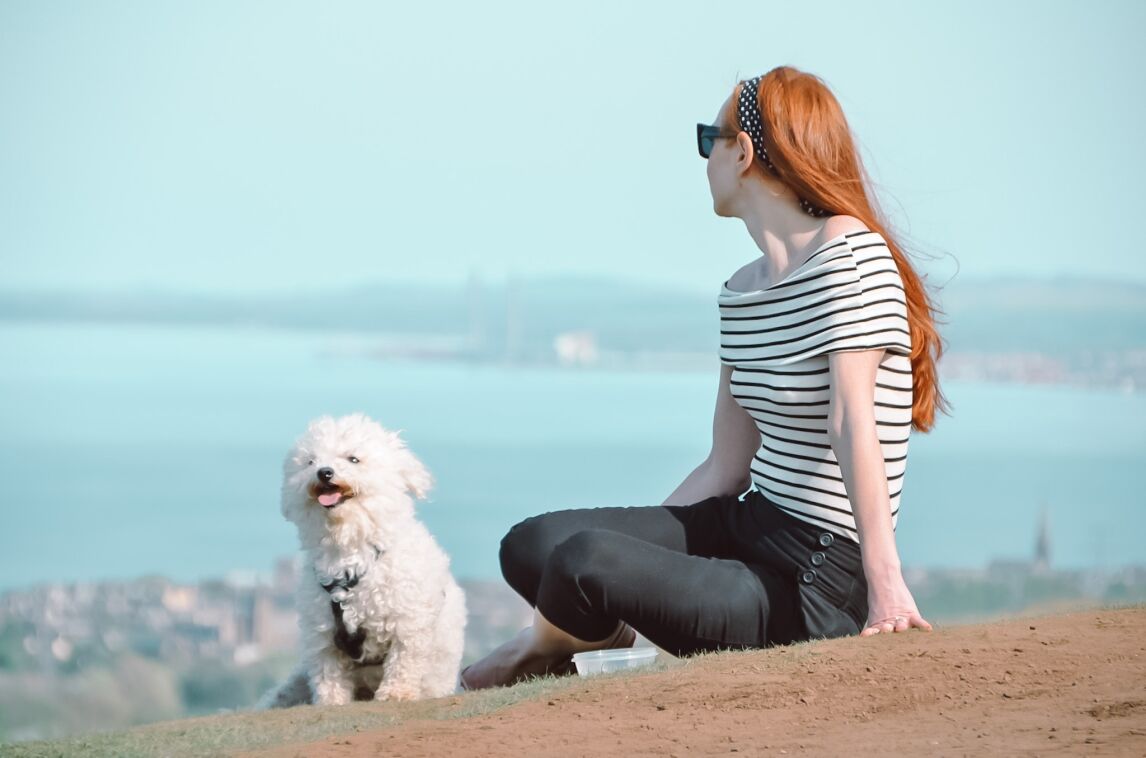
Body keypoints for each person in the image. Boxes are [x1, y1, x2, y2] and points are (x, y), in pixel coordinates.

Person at [460, 65, 950, 690]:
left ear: (742, 151)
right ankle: (586, 631)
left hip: (816, 581)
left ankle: (528, 653)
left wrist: (888, 591)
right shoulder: (742, 292)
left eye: (706, 140)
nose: (704, 160)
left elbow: (852, 422)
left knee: (582, 560)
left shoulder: (851, 255)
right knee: (536, 545)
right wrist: (635, 568)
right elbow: (726, 466)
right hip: (749, 525)